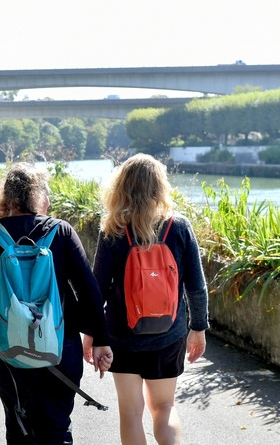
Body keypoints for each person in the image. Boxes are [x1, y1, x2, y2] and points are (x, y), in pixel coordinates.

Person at [0, 163, 113, 444]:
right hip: (59, 347)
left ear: (6, 200)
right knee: (56, 427)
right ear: (41, 198)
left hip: (6, 352)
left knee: (17, 425)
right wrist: (101, 339)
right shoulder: (62, 232)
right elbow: (89, 290)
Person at [90, 153, 209, 445]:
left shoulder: (113, 230)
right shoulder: (178, 227)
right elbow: (196, 285)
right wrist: (198, 327)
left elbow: (98, 288)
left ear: (122, 187)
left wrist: (94, 334)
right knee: (164, 407)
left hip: (122, 335)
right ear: (160, 186)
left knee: (131, 413)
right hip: (169, 335)